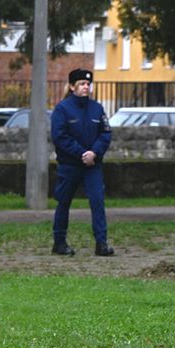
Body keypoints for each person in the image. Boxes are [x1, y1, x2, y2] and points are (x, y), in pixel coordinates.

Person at [51, 69, 113, 256]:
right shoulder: (62, 109)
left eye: (88, 84)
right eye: (81, 84)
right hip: (70, 165)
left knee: (97, 202)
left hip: (92, 165)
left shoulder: (97, 109)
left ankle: (101, 243)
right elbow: (60, 137)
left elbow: (105, 133)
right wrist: (81, 153)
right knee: (64, 202)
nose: (86, 87)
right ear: (72, 87)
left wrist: (94, 152)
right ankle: (59, 242)